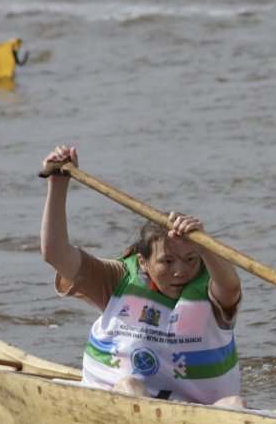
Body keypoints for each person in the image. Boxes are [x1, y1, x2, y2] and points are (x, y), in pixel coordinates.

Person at [39, 145, 247, 408]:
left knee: (236, 404)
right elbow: (55, 254)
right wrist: (58, 185)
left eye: (191, 259)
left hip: (196, 412)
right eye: (167, 261)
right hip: (125, 402)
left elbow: (231, 285)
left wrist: (205, 245)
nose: (180, 271)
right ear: (143, 263)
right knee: (129, 385)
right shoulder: (118, 278)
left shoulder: (212, 285)